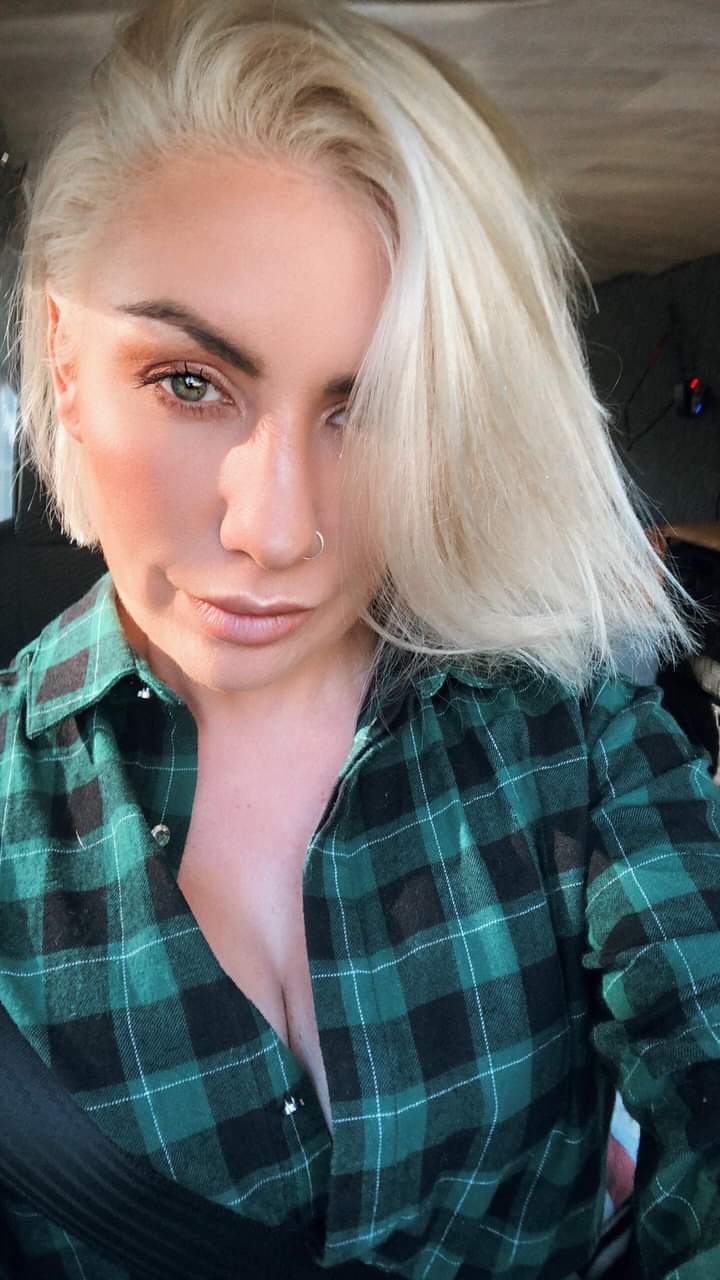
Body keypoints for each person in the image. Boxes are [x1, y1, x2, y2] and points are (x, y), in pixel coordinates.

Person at [1, 1, 719, 1276]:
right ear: (62, 357)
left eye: (372, 404)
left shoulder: (566, 726)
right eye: (188, 382)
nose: (276, 530)